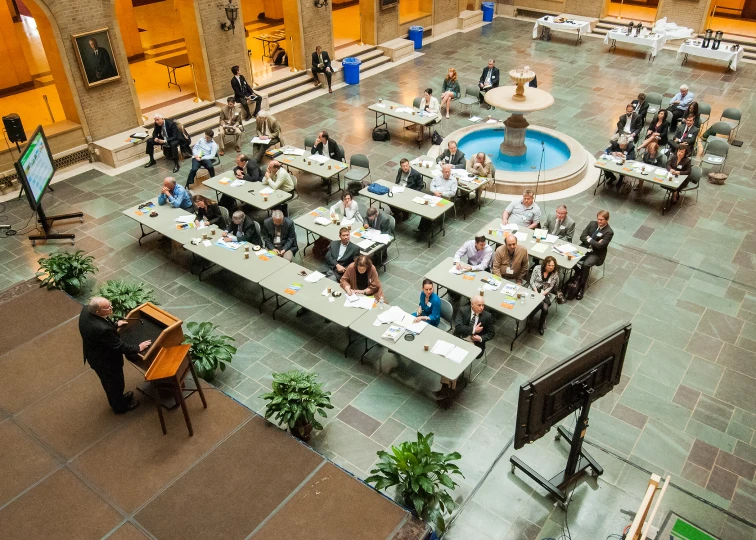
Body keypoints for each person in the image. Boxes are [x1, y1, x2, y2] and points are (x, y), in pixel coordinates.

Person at [79, 297, 151, 414]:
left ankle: (118, 399)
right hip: (105, 362)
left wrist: (116, 324)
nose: (111, 308)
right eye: (108, 308)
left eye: (110, 305)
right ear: (97, 311)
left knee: (110, 383)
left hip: (94, 353)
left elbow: (103, 323)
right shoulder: (103, 330)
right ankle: (120, 407)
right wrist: (138, 348)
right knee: (114, 384)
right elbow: (119, 347)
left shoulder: (86, 310)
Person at [576, 210, 613, 300]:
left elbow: (600, 246)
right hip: (585, 248)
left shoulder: (609, 232)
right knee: (571, 256)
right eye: (598, 219)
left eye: (602, 220)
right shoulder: (592, 224)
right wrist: (595, 242)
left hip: (596, 254)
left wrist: (590, 239)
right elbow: (582, 236)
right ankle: (578, 272)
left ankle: (581, 287)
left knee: (586, 264)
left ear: (607, 220)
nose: (599, 221)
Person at [529, 256, 559, 335]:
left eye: (553, 266)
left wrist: (542, 294)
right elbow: (532, 281)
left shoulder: (554, 273)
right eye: (549, 265)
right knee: (541, 304)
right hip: (534, 289)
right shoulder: (537, 268)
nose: (551, 267)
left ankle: (540, 325)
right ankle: (530, 317)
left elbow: (550, 287)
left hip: (544, 292)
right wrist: (536, 292)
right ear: (545, 264)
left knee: (545, 308)